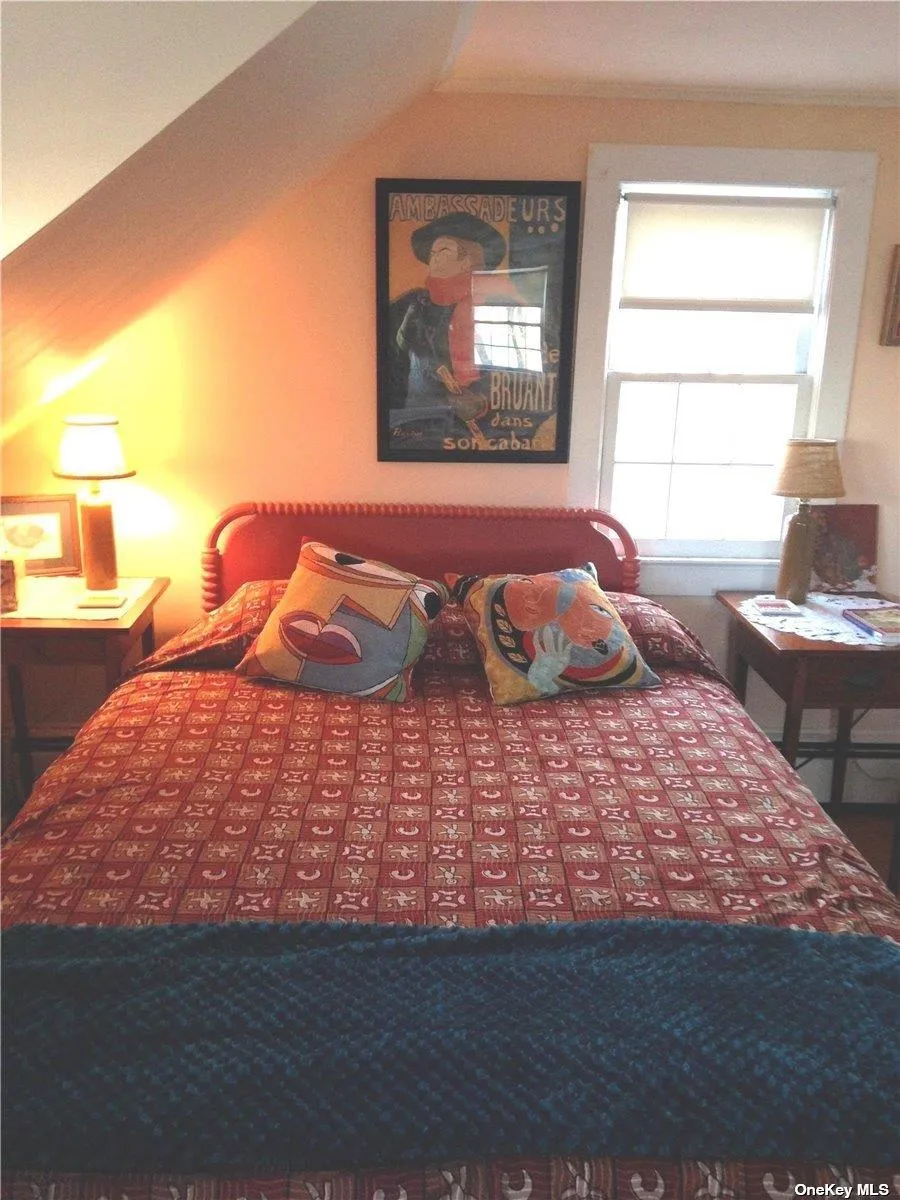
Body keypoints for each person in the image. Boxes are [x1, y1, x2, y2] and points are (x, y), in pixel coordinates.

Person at [387, 212, 510, 443]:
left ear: (467, 261)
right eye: (432, 254)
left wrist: (479, 401)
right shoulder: (409, 305)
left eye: (443, 253)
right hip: (408, 424)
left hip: (464, 430)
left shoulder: (489, 309)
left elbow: (508, 372)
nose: (434, 259)